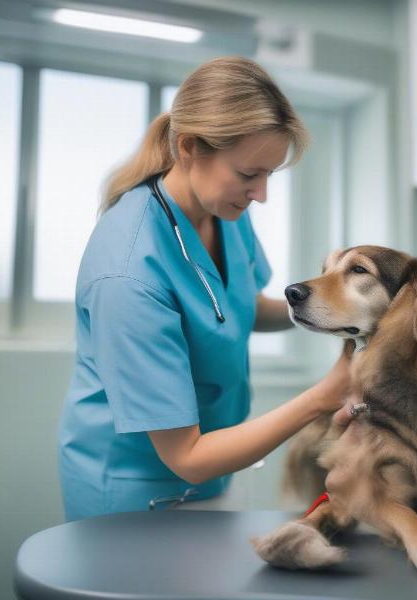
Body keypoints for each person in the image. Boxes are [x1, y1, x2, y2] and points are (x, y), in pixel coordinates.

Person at [58, 56, 351, 521]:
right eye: (249, 174)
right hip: (135, 494)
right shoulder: (128, 273)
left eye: (268, 175)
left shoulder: (225, 209)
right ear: (190, 146)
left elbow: (236, 308)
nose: (261, 194)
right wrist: (325, 394)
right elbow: (187, 457)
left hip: (214, 474)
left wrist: (335, 313)